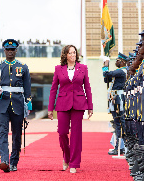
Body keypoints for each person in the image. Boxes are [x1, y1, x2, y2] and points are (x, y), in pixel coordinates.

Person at [48, 45, 93, 174]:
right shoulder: (58, 69)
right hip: (62, 104)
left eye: (74, 52)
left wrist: (90, 106)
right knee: (62, 132)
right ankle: (66, 157)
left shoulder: (83, 68)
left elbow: (87, 88)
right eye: (70, 53)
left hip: (79, 104)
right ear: (65, 55)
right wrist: (50, 108)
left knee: (76, 135)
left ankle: (74, 163)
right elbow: (53, 89)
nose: (73, 55)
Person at [0, 39, 32, 172]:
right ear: (4, 50)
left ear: (16, 50)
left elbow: (27, 87)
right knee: (2, 132)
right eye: (8, 49)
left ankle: (14, 161)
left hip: (18, 104)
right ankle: (4, 160)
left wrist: (28, 103)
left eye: (12, 50)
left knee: (16, 134)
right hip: (2, 103)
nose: (10, 52)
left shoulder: (23, 67)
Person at [103, 53, 127, 155]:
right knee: (118, 124)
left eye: (118, 60)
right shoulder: (118, 72)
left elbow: (106, 74)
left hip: (118, 99)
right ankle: (119, 147)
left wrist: (105, 64)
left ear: (123, 62)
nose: (116, 62)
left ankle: (120, 148)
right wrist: (105, 68)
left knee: (120, 124)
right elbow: (106, 79)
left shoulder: (121, 71)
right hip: (114, 99)